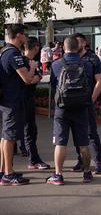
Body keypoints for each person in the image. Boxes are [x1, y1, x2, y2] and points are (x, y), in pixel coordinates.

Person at [46, 36, 95, 186]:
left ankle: (58, 175)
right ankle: (87, 173)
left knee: (60, 142)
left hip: (62, 108)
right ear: (77, 47)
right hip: (81, 107)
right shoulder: (86, 64)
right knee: (83, 142)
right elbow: (90, 84)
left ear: (64, 48)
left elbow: (54, 85)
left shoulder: (56, 65)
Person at [0, 24, 37, 185]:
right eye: (25, 35)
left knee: (5, 137)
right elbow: (27, 79)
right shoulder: (13, 54)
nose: (26, 38)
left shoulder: (3, 51)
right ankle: (8, 174)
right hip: (12, 102)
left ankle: (3, 170)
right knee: (9, 138)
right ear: (19, 36)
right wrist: (34, 71)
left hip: (5, 101)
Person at [71, 33, 101, 174]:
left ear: (84, 43)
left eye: (78, 42)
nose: (76, 45)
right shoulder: (70, 58)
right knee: (76, 134)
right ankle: (81, 160)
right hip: (73, 103)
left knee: (91, 133)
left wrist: (91, 99)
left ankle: (98, 162)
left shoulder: (93, 59)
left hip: (87, 101)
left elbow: (99, 81)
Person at [21, 38, 48, 170]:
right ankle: (33, 160)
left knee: (31, 130)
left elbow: (38, 77)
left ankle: (33, 158)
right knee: (29, 131)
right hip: (23, 101)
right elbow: (28, 81)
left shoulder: (30, 62)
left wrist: (34, 76)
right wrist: (32, 73)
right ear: (35, 47)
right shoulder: (24, 62)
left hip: (28, 100)